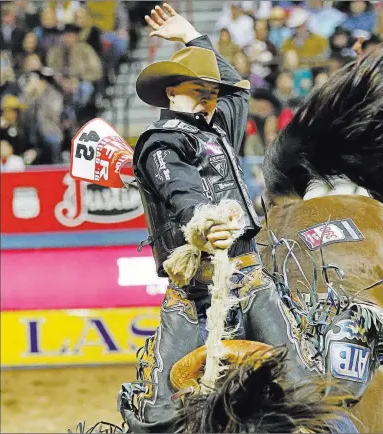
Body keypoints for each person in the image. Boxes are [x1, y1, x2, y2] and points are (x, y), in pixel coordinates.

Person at [117, 4, 311, 431]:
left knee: (301, 386)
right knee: (160, 414)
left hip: (249, 274)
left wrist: (193, 37)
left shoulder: (220, 125)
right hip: (194, 292)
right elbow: (181, 194)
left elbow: (238, 90)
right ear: (171, 92)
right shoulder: (158, 143)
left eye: (211, 94)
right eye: (198, 91)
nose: (209, 101)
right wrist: (204, 222)